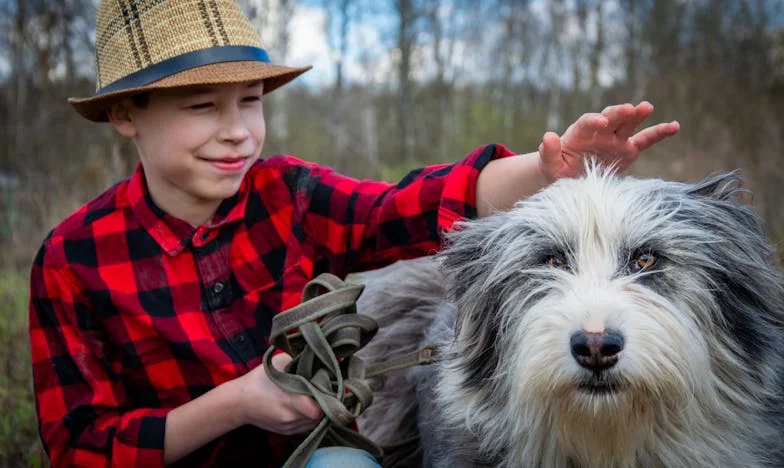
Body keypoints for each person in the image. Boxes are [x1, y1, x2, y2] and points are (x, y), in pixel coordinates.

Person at [28, 0, 680, 467]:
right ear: (124, 115)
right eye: (203, 107)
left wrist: (543, 169)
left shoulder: (289, 193)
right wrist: (238, 403)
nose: (237, 131)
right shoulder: (71, 262)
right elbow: (82, 447)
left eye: (252, 101)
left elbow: (413, 209)